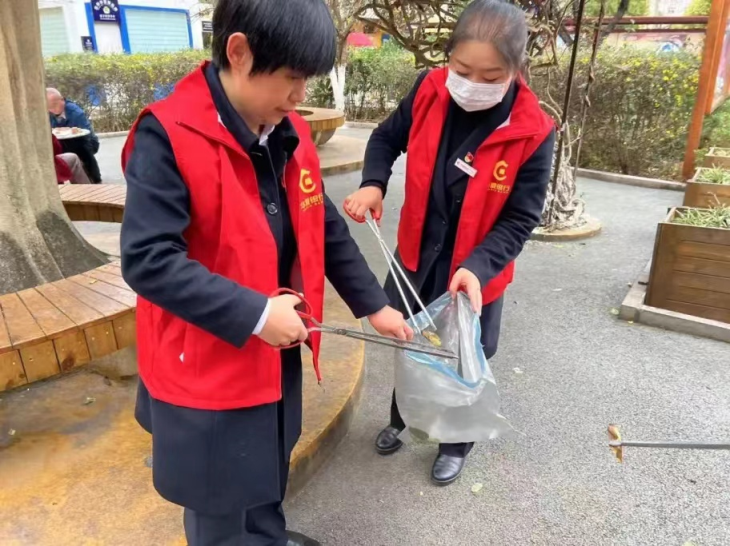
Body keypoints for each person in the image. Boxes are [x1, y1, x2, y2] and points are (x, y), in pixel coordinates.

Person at [119, 1, 412, 545]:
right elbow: (148, 259)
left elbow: (322, 223)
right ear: (239, 52)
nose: (301, 95)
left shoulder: (285, 130)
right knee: (218, 498)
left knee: (267, 466)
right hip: (208, 359)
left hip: (275, 345)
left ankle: (267, 537)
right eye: (292, 77)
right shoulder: (169, 134)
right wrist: (255, 313)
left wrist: (376, 306)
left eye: (308, 80)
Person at [345, 0, 556, 486]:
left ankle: (455, 443)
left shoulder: (533, 130)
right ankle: (404, 418)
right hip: (419, 256)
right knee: (411, 341)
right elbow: (385, 138)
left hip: (473, 272)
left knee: (462, 357)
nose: (472, 84)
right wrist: (374, 182)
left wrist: (479, 267)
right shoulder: (429, 90)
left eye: (490, 76)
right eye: (462, 70)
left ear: (515, 69)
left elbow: (521, 217)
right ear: (448, 58)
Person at [47, 88, 102, 183]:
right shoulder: (49, 114)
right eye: (49, 107)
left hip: (85, 141)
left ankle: (95, 178)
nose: (52, 109)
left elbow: (85, 133)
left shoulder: (75, 112)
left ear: (62, 100)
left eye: (54, 105)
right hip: (63, 142)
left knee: (83, 149)